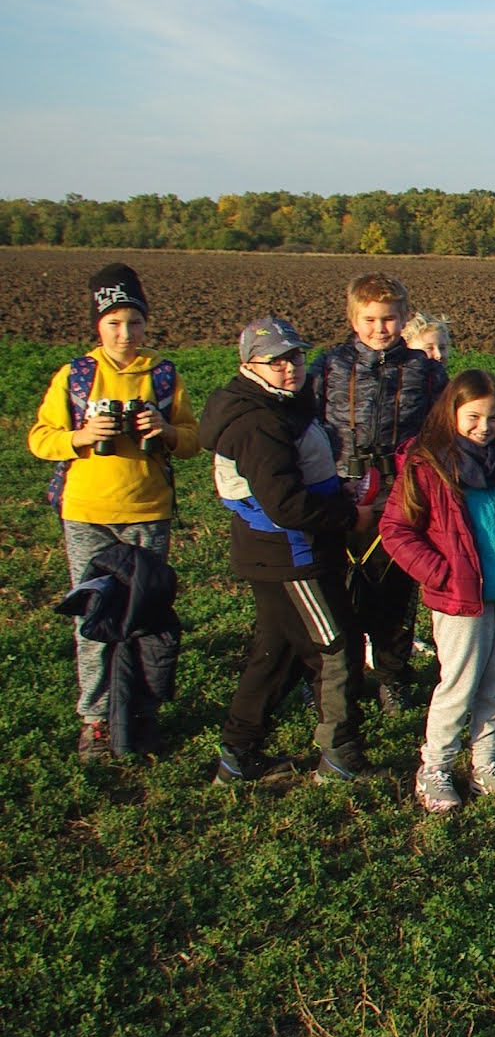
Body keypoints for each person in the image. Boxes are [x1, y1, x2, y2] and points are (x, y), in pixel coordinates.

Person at [30, 263, 201, 759]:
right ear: (97, 326)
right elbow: (40, 439)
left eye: (135, 323)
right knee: (96, 615)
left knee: (145, 613)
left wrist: (163, 432)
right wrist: (83, 437)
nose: (126, 334)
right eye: (114, 324)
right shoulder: (76, 376)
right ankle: (95, 719)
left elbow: (191, 440)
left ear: (147, 324)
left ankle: (141, 714)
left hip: (148, 509)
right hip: (87, 511)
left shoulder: (163, 375)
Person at [201, 317, 375, 784]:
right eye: (275, 361)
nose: (289, 367)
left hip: (281, 551)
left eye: (294, 356)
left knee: (276, 653)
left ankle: (239, 755)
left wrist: (335, 488)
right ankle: (340, 755)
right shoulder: (258, 421)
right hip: (291, 554)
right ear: (249, 366)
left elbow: (295, 479)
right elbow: (285, 504)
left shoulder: (280, 405)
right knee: (336, 646)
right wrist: (347, 516)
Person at [380, 370, 495, 810]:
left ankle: (486, 763)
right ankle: (434, 768)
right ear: (451, 412)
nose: (484, 427)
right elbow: (396, 529)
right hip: (459, 599)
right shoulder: (428, 464)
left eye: (493, 418)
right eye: (473, 417)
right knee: (459, 684)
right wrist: (438, 572)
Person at [307, 272, 448, 712]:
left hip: (399, 495)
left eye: (388, 319)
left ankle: (393, 676)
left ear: (403, 319)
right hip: (339, 494)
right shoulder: (329, 368)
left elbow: (440, 432)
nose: (378, 328)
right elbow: (306, 427)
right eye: (369, 319)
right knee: (336, 595)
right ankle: (333, 682)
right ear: (353, 318)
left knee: (394, 594)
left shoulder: (424, 373)